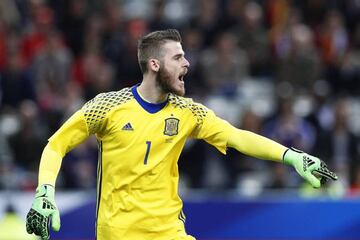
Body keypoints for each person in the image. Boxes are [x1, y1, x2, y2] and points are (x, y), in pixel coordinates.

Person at [25, 29, 338, 240]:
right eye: (177, 57)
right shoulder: (108, 106)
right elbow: (56, 145)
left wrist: (291, 155)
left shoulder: (187, 111)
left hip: (170, 232)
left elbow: (236, 136)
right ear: (154, 64)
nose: (187, 63)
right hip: (120, 233)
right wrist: (45, 193)